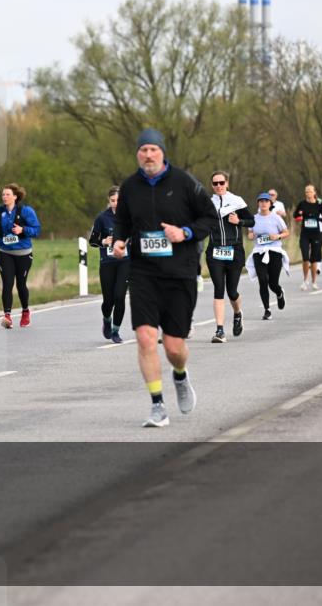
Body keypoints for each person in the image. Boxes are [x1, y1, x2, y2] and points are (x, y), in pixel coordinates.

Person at [111, 129, 216, 428]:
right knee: (145, 338)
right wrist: (119, 241)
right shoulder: (130, 187)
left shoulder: (184, 183)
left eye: (153, 150)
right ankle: (157, 404)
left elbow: (208, 218)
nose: (148, 155)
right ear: (137, 154)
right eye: (143, 149)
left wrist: (185, 233)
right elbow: (123, 221)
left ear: (162, 153)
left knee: (173, 347)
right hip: (143, 273)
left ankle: (180, 376)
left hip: (180, 271)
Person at [206, 171, 253, 343]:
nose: (218, 186)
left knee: (231, 291)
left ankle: (237, 313)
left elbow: (251, 221)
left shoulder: (237, 201)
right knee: (219, 289)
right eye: (215, 183)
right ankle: (219, 331)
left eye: (221, 182)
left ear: (227, 183)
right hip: (215, 251)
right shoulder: (208, 203)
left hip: (234, 251)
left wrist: (238, 222)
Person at [0, 183, 41, 329]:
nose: (4, 197)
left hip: (23, 253)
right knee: (7, 283)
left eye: (7, 194)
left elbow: (36, 230)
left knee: (21, 284)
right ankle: (7, 316)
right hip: (5, 253)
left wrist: (23, 229)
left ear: (15, 196)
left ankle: (25, 311)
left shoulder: (26, 211)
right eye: (3, 194)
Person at [89, 186, 129, 344]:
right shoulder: (102, 218)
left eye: (119, 200)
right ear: (109, 201)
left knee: (120, 296)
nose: (116, 204)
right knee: (108, 301)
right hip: (107, 262)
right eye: (113, 201)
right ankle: (107, 319)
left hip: (125, 261)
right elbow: (92, 241)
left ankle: (116, 330)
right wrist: (103, 241)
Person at [246, 192, 290, 320]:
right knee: (262, 281)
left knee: (273, 283)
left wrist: (277, 236)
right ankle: (267, 310)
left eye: (266, 201)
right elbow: (249, 233)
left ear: (270, 204)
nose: (263, 203)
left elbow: (286, 232)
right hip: (259, 252)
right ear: (258, 203)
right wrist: (251, 236)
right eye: (261, 201)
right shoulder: (253, 218)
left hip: (274, 251)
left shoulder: (276, 218)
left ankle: (279, 293)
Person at [293, 184, 322, 290]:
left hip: (315, 234)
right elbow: (295, 215)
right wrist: (300, 214)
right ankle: (305, 280)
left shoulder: (319, 204)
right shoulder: (302, 204)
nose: (308, 193)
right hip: (305, 234)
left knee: (313, 259)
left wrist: (316, 219)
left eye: (309, 191)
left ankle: (314, 282)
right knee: (305, 258)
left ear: (314, 193)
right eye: (306, 191)